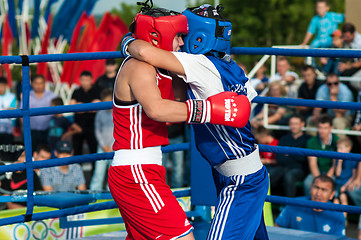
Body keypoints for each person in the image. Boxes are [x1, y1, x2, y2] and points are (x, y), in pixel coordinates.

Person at [123, 4, 269, 240]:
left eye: (183, 34)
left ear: (198, 38)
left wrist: (129, 39)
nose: (180, 41)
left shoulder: (199, 64)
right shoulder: (232, 67)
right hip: (244, 172)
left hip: (240, 182)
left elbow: (144, 53)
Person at [275, 175, 345, 237]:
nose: (318, 193)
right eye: (316, 187)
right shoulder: (295, 204)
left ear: (332, 195)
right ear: (310, 188)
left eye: (324, 190)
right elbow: (276, 229)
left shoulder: (337, 215)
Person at [274, 115, 310, 197]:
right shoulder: (284, 138)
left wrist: (288, 154)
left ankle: (289, 205)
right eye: (292, 124)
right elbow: (279, 158)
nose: (293, 126)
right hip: (283, 168)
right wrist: (296, 154)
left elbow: (305, 160)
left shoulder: (307, 139)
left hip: (300, 170)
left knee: (289, 176)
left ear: (302, 124)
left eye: (296, 124)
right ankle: (264, 202)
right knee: (269, 175)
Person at [304, 114, 338, 196]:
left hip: (331, 173)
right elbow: (312, 164)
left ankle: (330, 208)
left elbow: (334, 165)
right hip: (316, 173)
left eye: (325, 128)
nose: (322, 131)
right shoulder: (311, 141)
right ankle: (309, 207)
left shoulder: (336, 142)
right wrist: (319, 180)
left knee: (334, 188)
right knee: (308, 183)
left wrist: (326, 180)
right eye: (320, 127)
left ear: (331, 128)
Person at [20, 74, 57, 151]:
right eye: (36, 83)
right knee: (31, 154)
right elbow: (21, 113)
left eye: (41, 83)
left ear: (44, 83)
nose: (38, 85)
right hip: (31, 132)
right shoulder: (27, 96)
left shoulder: (52, 96)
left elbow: (58, 112)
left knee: (47, 155)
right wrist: (26, 129)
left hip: (48, 131)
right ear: (32, 84)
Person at [70, 70, 100, 156]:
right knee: (76, 152)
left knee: (94, 151)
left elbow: (97, 108)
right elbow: (72, 107)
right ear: (80, 80)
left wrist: (81, 107)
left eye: (87, 80)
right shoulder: (76, 91)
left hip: (92, 126)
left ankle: (94, 169)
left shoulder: (96, 91)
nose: (85, 82)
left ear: (91, 80)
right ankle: (76, 169)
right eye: (83, 80)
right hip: (78, 126)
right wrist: (90, 106)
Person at [90, 89, 114, 191]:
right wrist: (103, 145)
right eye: (105, 100)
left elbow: (120, 129)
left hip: (116, 147)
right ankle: (95, 193)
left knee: (114, 173)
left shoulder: (117, 111)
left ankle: (113, 193)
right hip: (102, 147)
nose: (107, 103)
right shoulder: (100, 113)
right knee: (98, 172)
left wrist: (113, 145)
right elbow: (97, 130)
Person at [333, 137, 357, 215]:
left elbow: (353, 175)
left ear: (348, 148)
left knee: (343, 198)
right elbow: (337, 174)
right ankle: (335, 220)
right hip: (338, 183)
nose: (338, 151)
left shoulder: (353, 158)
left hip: (346, 183)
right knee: (335, 201)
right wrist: (339, 163)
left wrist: (346, 186)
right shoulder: (337, 159)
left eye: (341, 148)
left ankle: (344, 220)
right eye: (338, 148)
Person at [0, 77, 16, 144]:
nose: (1, 88)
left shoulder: (12, 96)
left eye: (2, 86)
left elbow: (14, 115)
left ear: (6, 86)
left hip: (8, 130)